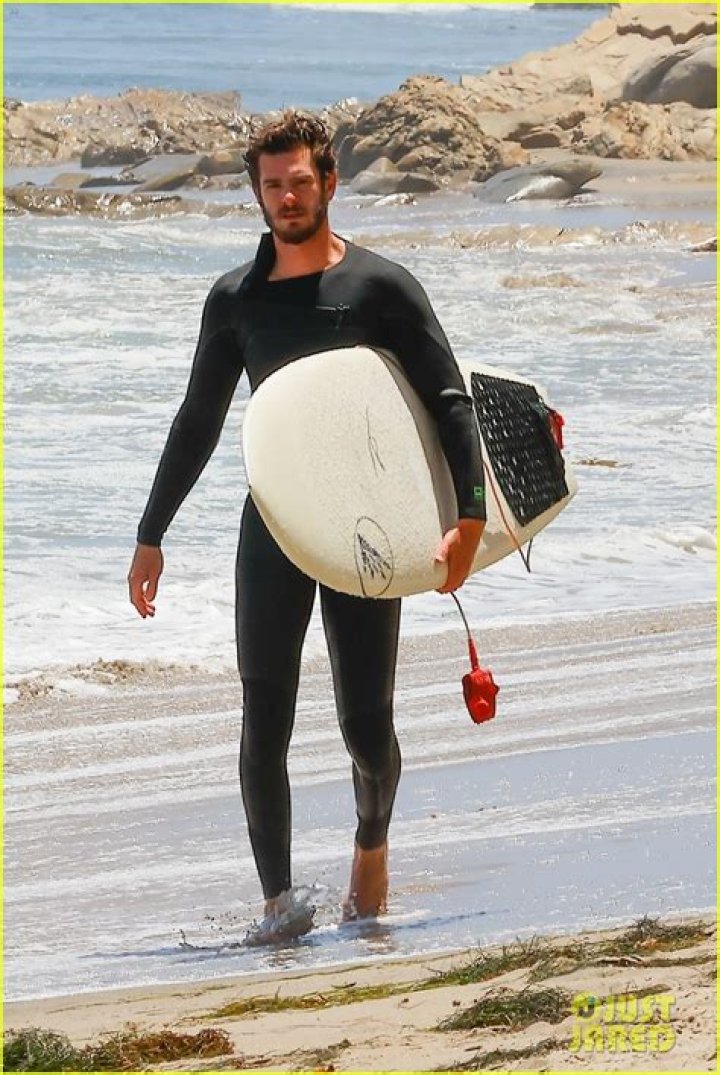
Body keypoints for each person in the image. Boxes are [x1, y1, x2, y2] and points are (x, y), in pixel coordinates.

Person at [128, 111, 486, 939]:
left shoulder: (380, 287)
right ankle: (279, 903)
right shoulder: (235, 301)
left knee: (365, 723)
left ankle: (372, 838)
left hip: (365, 523)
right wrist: (153, 532)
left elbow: (448, 401)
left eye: (299, 181)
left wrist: (466, 519)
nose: (286, 197)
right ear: (255, 192)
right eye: (271, 184)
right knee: (265, 712)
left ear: (329, 182)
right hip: (277, 522)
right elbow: (198, 420)